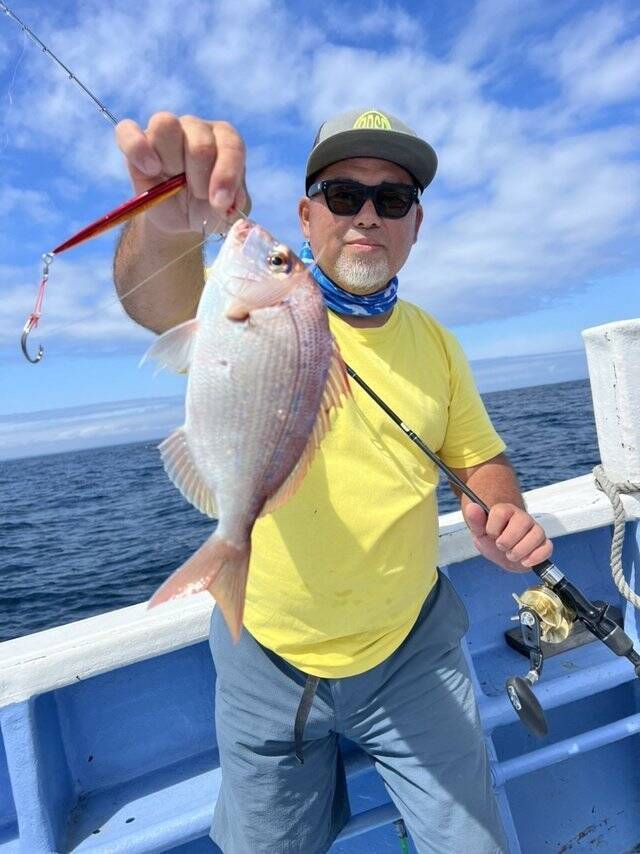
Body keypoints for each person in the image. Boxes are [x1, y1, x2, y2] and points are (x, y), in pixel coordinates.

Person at [114, 108, 552, 854]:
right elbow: (154, 298)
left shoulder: (439, 346)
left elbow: (479, 455)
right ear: (306, 213)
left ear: (417, 222)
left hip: (414, 652)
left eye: (394, 198)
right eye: (344, 195)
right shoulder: (264, 302)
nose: (368, 216)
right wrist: (166, 224)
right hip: (264, 654)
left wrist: (501, 505)